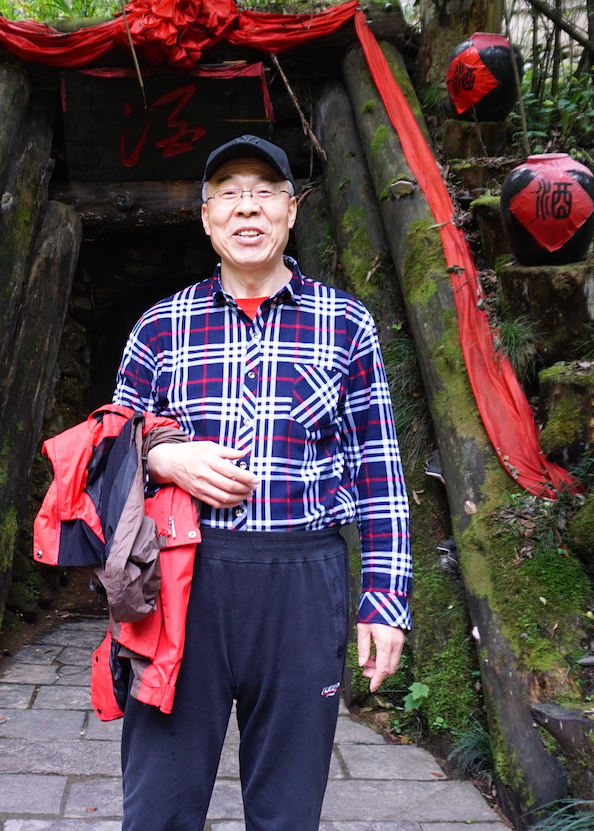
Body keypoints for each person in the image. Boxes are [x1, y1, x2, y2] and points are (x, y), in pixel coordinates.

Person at [112, 134, 412, 831]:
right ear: (207, 217)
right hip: (186, 579)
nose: (248, 210)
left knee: (287, 809)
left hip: (303, 583)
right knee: (158, 805)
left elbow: (380, 466)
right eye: (229, 195)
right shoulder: (162, 326)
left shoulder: (345, 322)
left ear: (291, 211)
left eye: (264, 193)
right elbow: (107, 441)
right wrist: (163, 458)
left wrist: (386, 599)